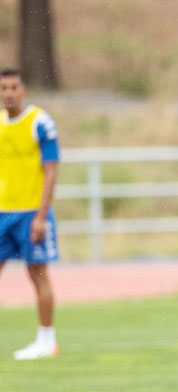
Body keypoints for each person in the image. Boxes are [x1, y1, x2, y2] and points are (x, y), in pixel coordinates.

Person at [0, 68, 61, 360]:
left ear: (23, 89)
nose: (9, 93)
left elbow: (51, 170)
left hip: (30, 213)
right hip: (2, 212)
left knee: (37, 273)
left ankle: (47, 340)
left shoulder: (40, 123)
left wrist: (41, 215)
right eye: (3, 88)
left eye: (14, 87)